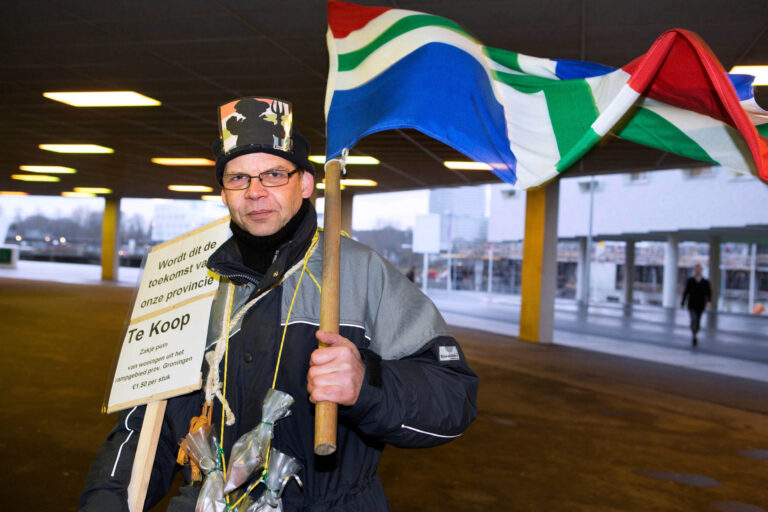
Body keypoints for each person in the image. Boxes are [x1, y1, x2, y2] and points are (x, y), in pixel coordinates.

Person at [79, 97, 478, 511]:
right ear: (223, 191)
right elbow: (146, 423)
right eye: (238, 178)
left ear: (304, 184)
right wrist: (106, 501)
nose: (254, 192)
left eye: (273, 174)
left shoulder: (361, 273)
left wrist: (369, 384)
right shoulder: (187, 279)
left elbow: (454, 398)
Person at [680, 263, 712, 347]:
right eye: (696, 270)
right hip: (692, 304)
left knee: (698, 320)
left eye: (699, 270)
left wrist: (709, 300)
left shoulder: (705, 282)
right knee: (693, 319)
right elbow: (685, 292)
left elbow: (709, 292)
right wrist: (682, 303)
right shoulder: (690, 281)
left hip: (700, 305)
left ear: (701, 271)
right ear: (694, 271)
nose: (697, 271)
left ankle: (695, 332)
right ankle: (694, 334)